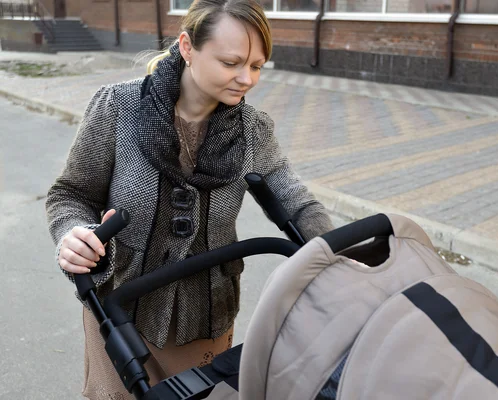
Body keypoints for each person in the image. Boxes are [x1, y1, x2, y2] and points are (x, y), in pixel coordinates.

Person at [45, 0, 334, 398]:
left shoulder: (253, 131)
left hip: (206, 318)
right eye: (231, 62)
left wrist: (339, 251)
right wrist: (74, 234)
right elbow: (70, 194)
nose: (246, 79)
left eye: (256, 66)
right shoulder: (118, 107)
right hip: (118, 311)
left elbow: (296, 201)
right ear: (187, 47)